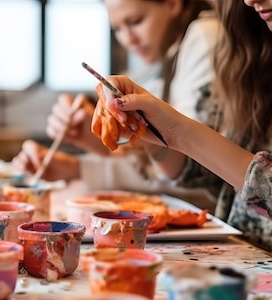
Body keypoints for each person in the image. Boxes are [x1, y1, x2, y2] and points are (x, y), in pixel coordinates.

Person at [91, 0, 272, 265]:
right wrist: (150, 132)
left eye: (136, 21)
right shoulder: (265, 53)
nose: (248, 1)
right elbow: (216, 178)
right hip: (243, 269)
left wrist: (181, 133)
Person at [12, 0, 220, 211]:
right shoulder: (163, 59)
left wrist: (78, 167)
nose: (128, 40)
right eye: (118, 29)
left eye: (136, 21)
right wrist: (98, 145)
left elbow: (192, 171)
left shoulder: (203, 37)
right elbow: (156, 161)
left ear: (173, 3)